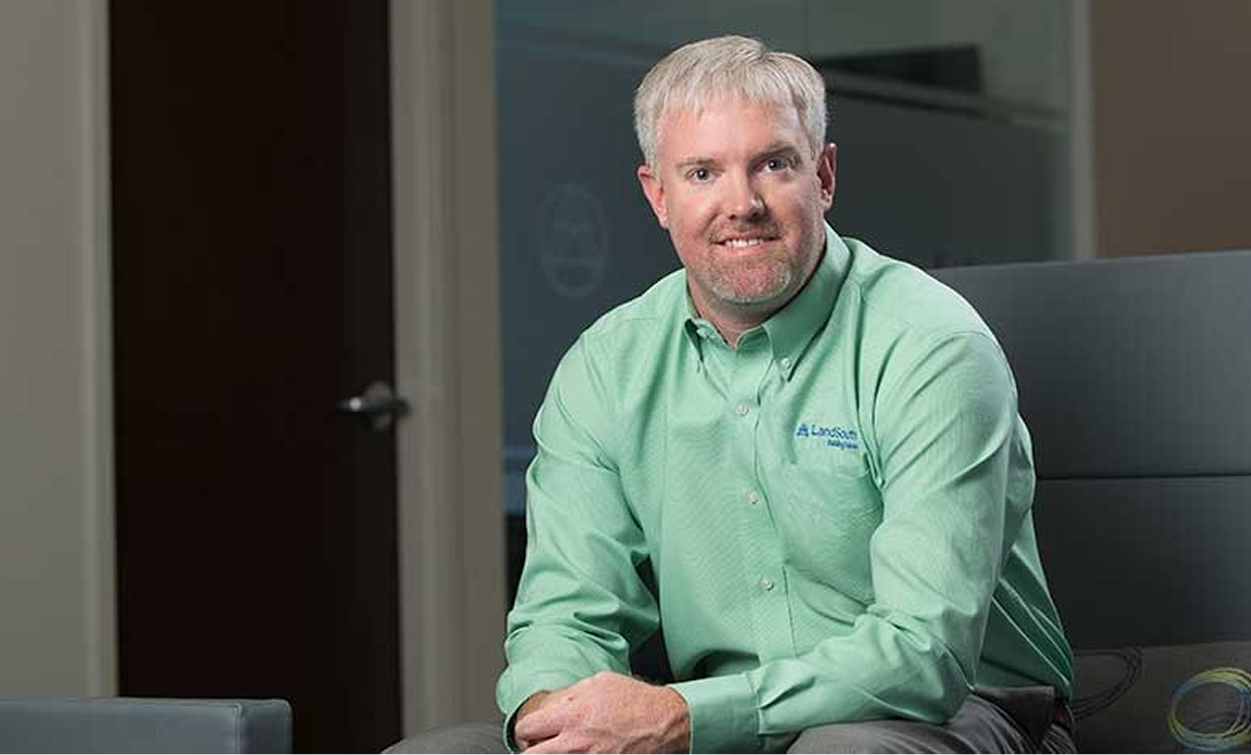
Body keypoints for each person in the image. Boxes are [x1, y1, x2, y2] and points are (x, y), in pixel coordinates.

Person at [388, 34, 1075, 755]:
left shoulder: (928, 347)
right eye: (702, 172)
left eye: (772, 164)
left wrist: (682, 717)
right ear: (657, 194)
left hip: (959, 711)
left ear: (825, 175)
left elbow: (920, 653)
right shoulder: (607, 365)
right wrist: (553, 710)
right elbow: (566, 615)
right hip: (717, 722)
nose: (739, 203)